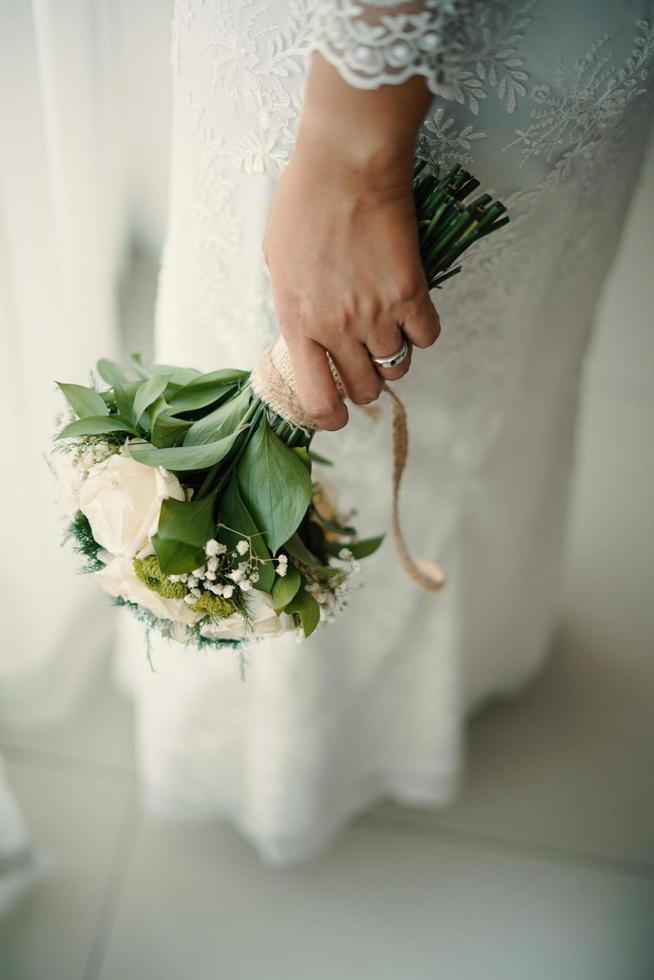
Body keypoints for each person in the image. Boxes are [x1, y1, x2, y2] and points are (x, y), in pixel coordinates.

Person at [115, 0, 654, 864]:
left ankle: (435, 676)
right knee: (254, 335)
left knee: (491, 368)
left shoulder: (357, 142)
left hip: (386, 86)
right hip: (338, 69)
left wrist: (353, 157)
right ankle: (271, 723)